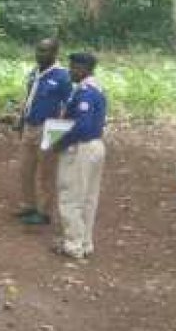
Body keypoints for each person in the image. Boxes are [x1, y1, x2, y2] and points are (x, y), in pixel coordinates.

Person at [52, 53, 107, 260]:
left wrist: (61, 141)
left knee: (71, 196)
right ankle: (84, 242)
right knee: (88, 197)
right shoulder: (96, 89)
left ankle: (73, 244)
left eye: (74, 67)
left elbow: (82, 126)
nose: (70, 71)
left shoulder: (85, 92)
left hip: (81, 148)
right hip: (95, 146)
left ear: (85, 69)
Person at [16, 38, 73, 226]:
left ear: (55, 53)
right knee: (25, 168)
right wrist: (21, 120)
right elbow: (29, 97)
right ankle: (28, 205)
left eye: (45, 51)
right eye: (38, 50)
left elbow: (68, 105)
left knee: (45, 172)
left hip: (48, 128)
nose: (40, 54)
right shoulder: (35, 73)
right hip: (30, 126)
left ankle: (44, 211)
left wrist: (60, 132)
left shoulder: (63, 76)